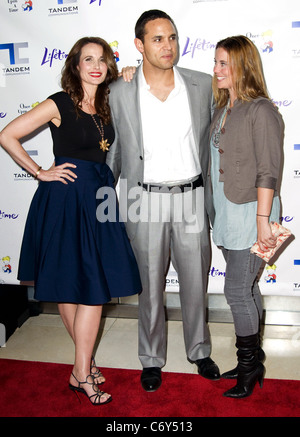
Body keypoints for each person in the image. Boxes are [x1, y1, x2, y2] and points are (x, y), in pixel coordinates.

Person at [0, 37, 141, 405]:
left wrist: (128, 74)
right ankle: (82, 371)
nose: (96, 65)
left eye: (103, 59)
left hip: (98, 197)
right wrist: (39, 171)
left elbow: (139, 84)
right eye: (88, 59)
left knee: (89, 286)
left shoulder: (109, 100)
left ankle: (82, 366)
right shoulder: (59, 102)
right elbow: (7, 134)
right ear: (75, 65)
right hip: (64, 199)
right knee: (72, 286)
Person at [106, 9, 220, 392]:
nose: (167, 46)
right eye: (157, 39)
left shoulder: (202, 84)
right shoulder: (120, 90)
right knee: (149, 287)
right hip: (145, 200)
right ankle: (151, 359)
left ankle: (199, 351)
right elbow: (114, 152)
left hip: (191, 196)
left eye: (171, 37)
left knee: (195, 282)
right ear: (139, 45)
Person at [210, 35, 284, 398]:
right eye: (216, 62)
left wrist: (262, 218)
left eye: (225, 63)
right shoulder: (223, 107)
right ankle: (252, 361)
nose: (217, 69)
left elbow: (269, 169)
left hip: (253, 211)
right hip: (226, 210)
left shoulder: (262, 110)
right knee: (248, 287)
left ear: (243, 66)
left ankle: (249, 367)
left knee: (237, 291)